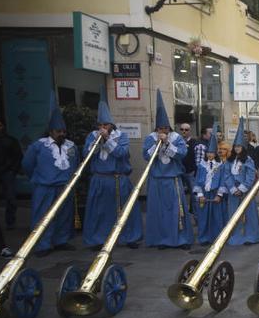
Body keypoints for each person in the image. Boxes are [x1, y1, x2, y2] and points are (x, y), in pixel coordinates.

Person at [82, 86, 142, 249]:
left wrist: (107, 139)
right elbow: (87, 154)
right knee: (99, 211)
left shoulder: (121, 136)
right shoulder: (92, 136)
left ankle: (128, 237)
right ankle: (97, 239)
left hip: (118, 179)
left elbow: (121, 153)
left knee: (123, 210)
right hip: (99, 179)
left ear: (111, 125)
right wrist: (97, 142)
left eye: (106, 124)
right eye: (100, 124)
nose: (103, 127)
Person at [22, 93, 78, 256]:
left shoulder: (71, 146)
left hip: (65, 187)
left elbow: (76, 164)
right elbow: (27, 165)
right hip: (44, 187)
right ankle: (42, 244)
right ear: (50, 131)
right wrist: (39, 179)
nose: (61, 134)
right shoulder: (38, 146)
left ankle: (61, 240)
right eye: (58, 131)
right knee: (43, 216)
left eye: (63, 131)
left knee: (64, 215)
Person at [144, 90, 194, 250]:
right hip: (157, 180)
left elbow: (182, 154)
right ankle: (162, 239)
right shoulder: (150, 138)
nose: (163, 131)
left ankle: (180, 239)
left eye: (165, 128)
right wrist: (157, 145)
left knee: (176, 210)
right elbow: (146, 156)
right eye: (160, 128)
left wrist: (166, 144)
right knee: (158, 211)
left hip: (173, 179)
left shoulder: (176, 138)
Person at [219, 117, 259, 245]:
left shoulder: (248, 160)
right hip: (233, 192)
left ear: (243, 147)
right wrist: (232, 188)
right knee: (233, 214)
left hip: (245, 191)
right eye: (235, 146)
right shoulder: (230, 161)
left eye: (239, 146)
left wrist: (242, 188)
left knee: (249, 213)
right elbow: (226, 175)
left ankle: (250, 235)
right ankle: (235, 236)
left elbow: (250, 176)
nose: (237, 148)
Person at [194, 125, 226, 246]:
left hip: (215, 194)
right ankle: (204, 238)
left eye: (212, 153)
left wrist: (219, 195)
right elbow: (197, 181)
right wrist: (200, 194)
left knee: (216, 218)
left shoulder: (220, 166)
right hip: (204, 194)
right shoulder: (202, 165)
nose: (209, 155)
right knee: (204, 218)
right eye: (208, 153)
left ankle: (217, 238)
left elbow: (223, 181)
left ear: (215, 153)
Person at [178, 122, 198, 213]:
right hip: (178, 172)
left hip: (191, 172)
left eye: (186, 130)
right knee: (179, 195)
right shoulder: (177, 142)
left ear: (190, 131)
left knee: (194, 195)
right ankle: (182, 217)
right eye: (182, 129)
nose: (184, 131)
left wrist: (195, 170)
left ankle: (196, 217)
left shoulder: (194, 142)